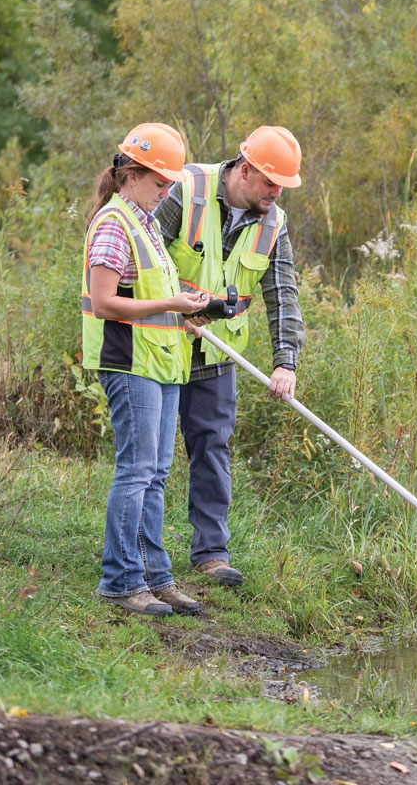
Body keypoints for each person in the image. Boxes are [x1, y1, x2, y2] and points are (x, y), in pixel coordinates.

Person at [156, 126, 305, 588]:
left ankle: (210, 555)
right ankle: (144, 555)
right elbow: (142, 252)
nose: (276, 194)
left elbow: (282, 294)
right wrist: (175, 303)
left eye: (282, 186)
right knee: (153, 458)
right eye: (270, 183)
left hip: (216, 357)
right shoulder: (184, 189)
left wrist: (285, 362)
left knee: (212, 450)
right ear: (245, 170)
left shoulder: (272, 223)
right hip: (159, 343)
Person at [83, 122, 210, 617]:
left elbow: (148, 295)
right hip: (128, 362)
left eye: (169, 185)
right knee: (136, 472)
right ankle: (120, 581)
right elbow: (104, 300)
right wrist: (172, 302)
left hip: (161, 361)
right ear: (130, 175)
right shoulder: (115, 223)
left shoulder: (148, 222)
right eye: (159, 183)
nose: (165, 193)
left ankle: (157, 578)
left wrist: (185, 312)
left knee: (155, 474)